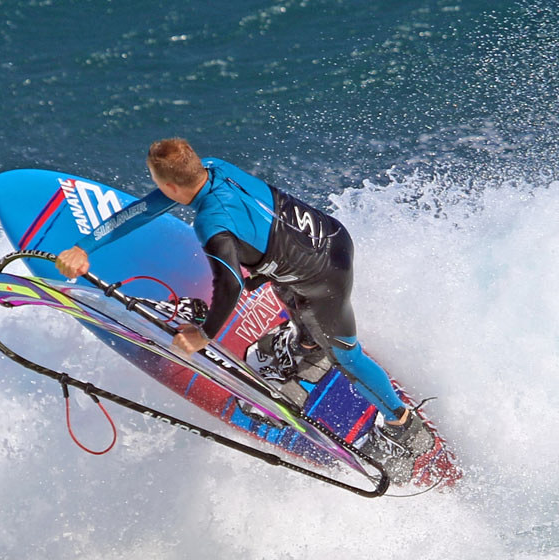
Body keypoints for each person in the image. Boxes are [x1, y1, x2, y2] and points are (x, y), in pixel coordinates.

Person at [56, 138, 432, 475]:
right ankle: (306, 346)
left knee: (347, 356)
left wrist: (203, 335)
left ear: (171, 185)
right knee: (280, 283)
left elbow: (231, 285)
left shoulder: (211, 224)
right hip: (329, 235)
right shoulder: (213, 167)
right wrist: (85, 246)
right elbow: (144, 210)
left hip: (323, 278)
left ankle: (404, 426)